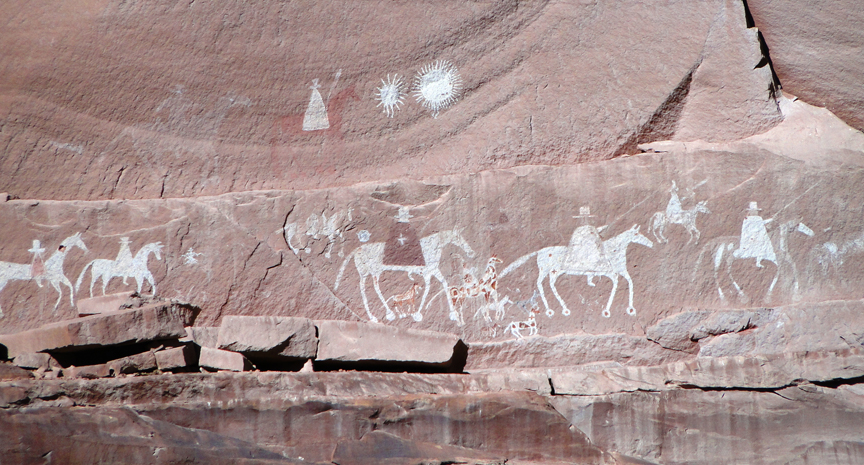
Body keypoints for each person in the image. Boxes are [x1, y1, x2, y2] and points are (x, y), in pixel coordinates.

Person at [563, 206, 611, 275]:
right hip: (580, 251)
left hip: (592, 251)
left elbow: (597, 239)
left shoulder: (592, 228)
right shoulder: (578, 230)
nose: (585, 220)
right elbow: (574, 241)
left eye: (586, 218)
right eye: (583, 218)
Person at [733, 202, 776, 267]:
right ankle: (756, 262)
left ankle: (762, 260)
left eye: (756, 211)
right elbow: (746, 230)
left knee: (764, 247)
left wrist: (771, 219)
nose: (755, 212)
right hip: (750, 237)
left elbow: (762, 223)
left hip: (760, 236)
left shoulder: (758, 218)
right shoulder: (747, 219)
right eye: (753, 211)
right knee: (755, 248)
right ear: (750, 211)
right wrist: (751, 235)